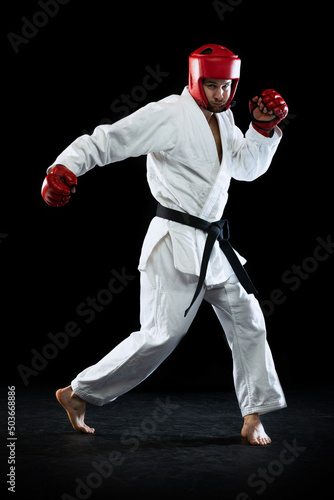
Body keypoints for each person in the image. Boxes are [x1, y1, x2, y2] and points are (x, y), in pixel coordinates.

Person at [42, 44, 288, 445]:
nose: (221, 94)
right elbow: (108, 140)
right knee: (160, 336)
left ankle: (254, 414)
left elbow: (244, 169)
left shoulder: (225, 120)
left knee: (249, 319)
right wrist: (65, 166)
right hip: (173, 243)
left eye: (227, 86)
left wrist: (259, 131)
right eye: (213, 85)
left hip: (213, 246)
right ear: (195, 80)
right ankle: (77, 394)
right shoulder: (170, 114)